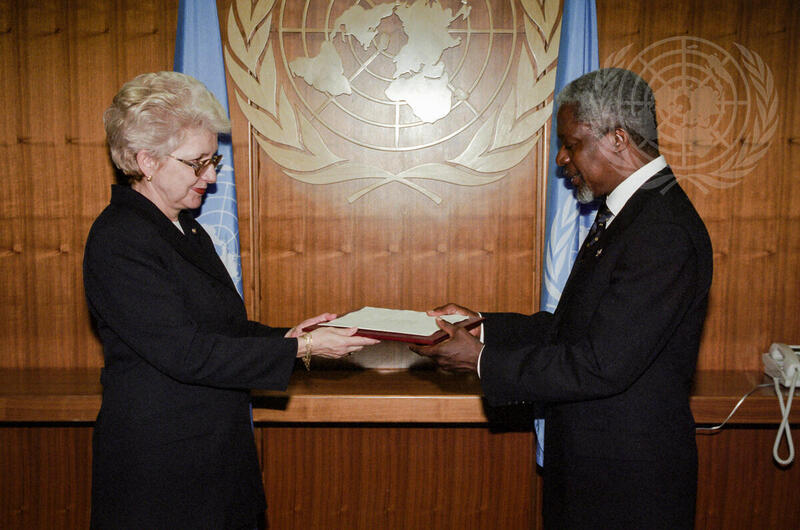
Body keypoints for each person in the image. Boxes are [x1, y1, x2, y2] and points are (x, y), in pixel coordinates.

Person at [412, 68, 713, 529]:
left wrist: (481, 361)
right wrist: (483, 325)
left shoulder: (662, 230)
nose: (560, 159)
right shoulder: (634, 210)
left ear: (617, 139)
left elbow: (599, 363)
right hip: (598, 470)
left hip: (629, 487)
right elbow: (572, 328)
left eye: (571, 143)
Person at [84, 71, 379, 529]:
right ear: (147, 160)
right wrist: (300, 351)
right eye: (197, 163)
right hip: (162, 468)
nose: (210, 177)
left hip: (212, 453)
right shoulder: (120, 239)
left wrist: (291, 334)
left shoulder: (184, 227)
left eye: (213, 162)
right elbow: (186, 353)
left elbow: (222, 328)